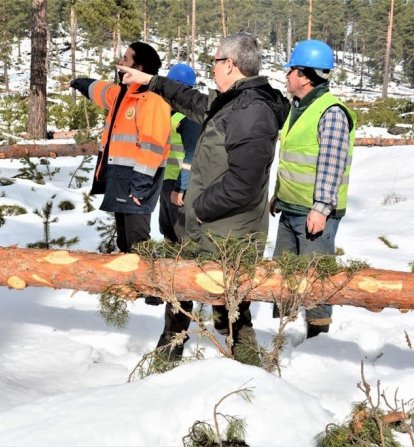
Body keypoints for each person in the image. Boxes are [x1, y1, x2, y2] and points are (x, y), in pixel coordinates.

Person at [118, 33, 289, 362]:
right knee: (183, 289)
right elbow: (193, 101)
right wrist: (151, 81)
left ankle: (247, 367)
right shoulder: (232, 102)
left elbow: (244, 182)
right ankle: (169, 354)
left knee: (231, 306)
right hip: (210, 228)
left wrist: (199, 208)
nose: (212, 68)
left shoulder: (252, 111)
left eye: (215, 61)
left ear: (230, 64)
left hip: (228, 234)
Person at [270, 39, 356, 338]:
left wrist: (321, 208)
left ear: (305, 76)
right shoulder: (299, 108)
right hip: (291, 207)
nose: (287, 76)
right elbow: (293, 158)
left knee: (316, 277)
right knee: (282, 274)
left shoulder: (330, 112)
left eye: (291, 70)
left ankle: (317, 338)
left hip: (315, 213)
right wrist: (278, 194)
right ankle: (283, 333)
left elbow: (332, 163)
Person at [69, 42, 171, 257]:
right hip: (119, 176)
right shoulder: (123, 94)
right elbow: (102, 91)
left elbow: (152, 145)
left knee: (137, 241)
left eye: (125, 58)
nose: (120, 62)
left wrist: (140, 185)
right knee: (124, 240)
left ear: (139, 68)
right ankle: (128, 276)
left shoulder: (152, 99)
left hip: (138, 179)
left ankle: (146, 278)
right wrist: (82, 83)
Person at [144, 63, 202, 307]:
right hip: (166, 184)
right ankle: (167, 286)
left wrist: (183, 187)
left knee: (183, 240)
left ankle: (183, 292)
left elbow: (192, 155)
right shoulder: (168, 114)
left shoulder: (188, 118)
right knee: (168, 235)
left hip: (179, 188)